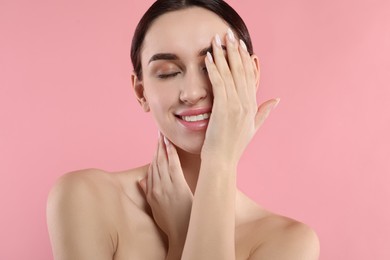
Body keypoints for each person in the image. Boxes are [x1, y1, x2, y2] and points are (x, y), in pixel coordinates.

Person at [47, 0, 320, 259]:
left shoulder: (287, 241)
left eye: (213, 66)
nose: (191, 93)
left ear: (251, 75)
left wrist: (220, 163)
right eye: (167, 72)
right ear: (141, 92)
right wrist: (181, 241)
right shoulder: (87, 198)